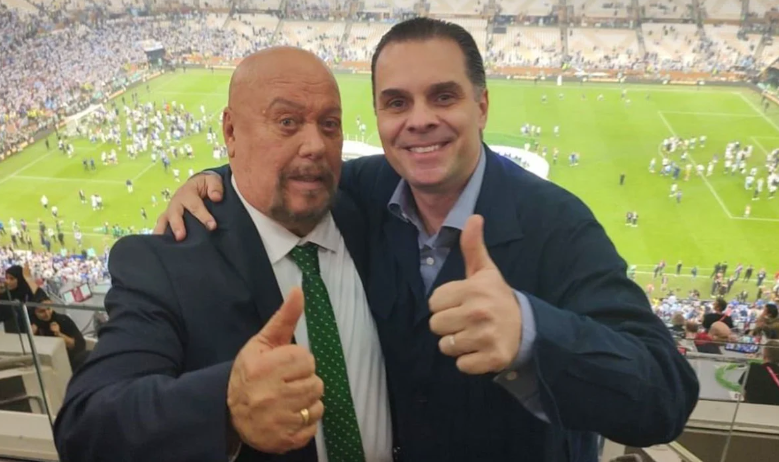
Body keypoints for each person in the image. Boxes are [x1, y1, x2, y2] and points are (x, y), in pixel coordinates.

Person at [155, 19, 699, 461]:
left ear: (481, 106)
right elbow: (291, 172)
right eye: (396, 103)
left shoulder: (556, 223)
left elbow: (666, 394)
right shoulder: (367, 189)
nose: (419, 121)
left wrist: (531, 333)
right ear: (378, 116)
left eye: (443, 97)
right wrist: (213, 181)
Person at [54, 48, 392, 462]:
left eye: (330, 124)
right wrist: (227, 408)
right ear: (231, 132)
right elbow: (86, 427)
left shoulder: (375, 209)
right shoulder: (167, 265)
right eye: (287, 122)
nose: (315, 145)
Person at [31, 296, 88, 372]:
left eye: (49, 309)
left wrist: (59, 334)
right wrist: (30, 335)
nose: (47, 314)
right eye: (42, 311)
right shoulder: (32, 325)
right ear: (35, 312)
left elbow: (79, 345)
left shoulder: (63, 320)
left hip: (69, 361)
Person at [0, 264, 46, 333]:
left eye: (11, 278)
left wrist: (36, 324)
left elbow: (44, 305)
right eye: (6, 278)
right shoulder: (4, 293)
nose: (7, 281)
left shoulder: (29, 292)